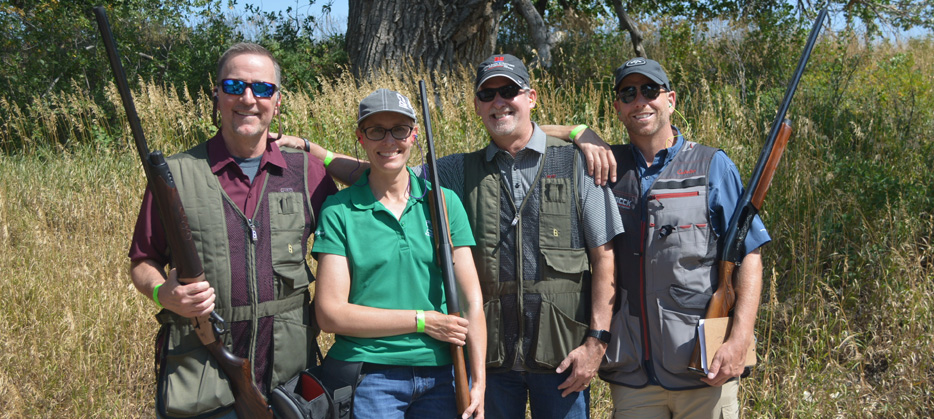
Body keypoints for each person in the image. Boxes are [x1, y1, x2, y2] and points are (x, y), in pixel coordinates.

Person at [282, 54, 623, 419]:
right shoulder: (455, 170)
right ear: (477, 105)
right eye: (487, 94)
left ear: (532, 97)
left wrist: (597, 342)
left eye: (508, 90)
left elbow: (605, 257)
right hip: (493, 360)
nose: (498, 101)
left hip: (562, 354)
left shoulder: (579, 162)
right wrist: (314, 151)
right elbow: (385, 167)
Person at [128, 43, 338, 418]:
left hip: (289, 380)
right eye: (233, 86)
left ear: (276, 101)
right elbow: (143, 261)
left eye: (261, 89)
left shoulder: (309, 172)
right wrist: (164, 293)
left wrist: (317, 150)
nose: (247, 98)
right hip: (200, 377)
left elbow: (383, 176)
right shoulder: (175, 176)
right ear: (216, 95)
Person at [594, 57, 771, 418]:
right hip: (634, 376)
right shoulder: (605, 166)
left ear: (670, 99)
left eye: (650, 90)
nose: (640, 101)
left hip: (704, 370)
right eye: (628, 93)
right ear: (617, 107)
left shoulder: (712, 165)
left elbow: (749, 255)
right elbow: (520, 134)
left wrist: (738, 341)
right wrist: (578, 132)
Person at [311, 88, 487, 419]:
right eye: (377, 130)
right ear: (361, 138)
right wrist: (422, 321)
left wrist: (479, 381)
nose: (389, 141)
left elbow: (472, 302)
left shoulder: (445, 204)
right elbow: (330, 313)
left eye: (399, 130)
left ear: (414, 135)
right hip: (369, 374)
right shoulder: (339, 210)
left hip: (442, 375)